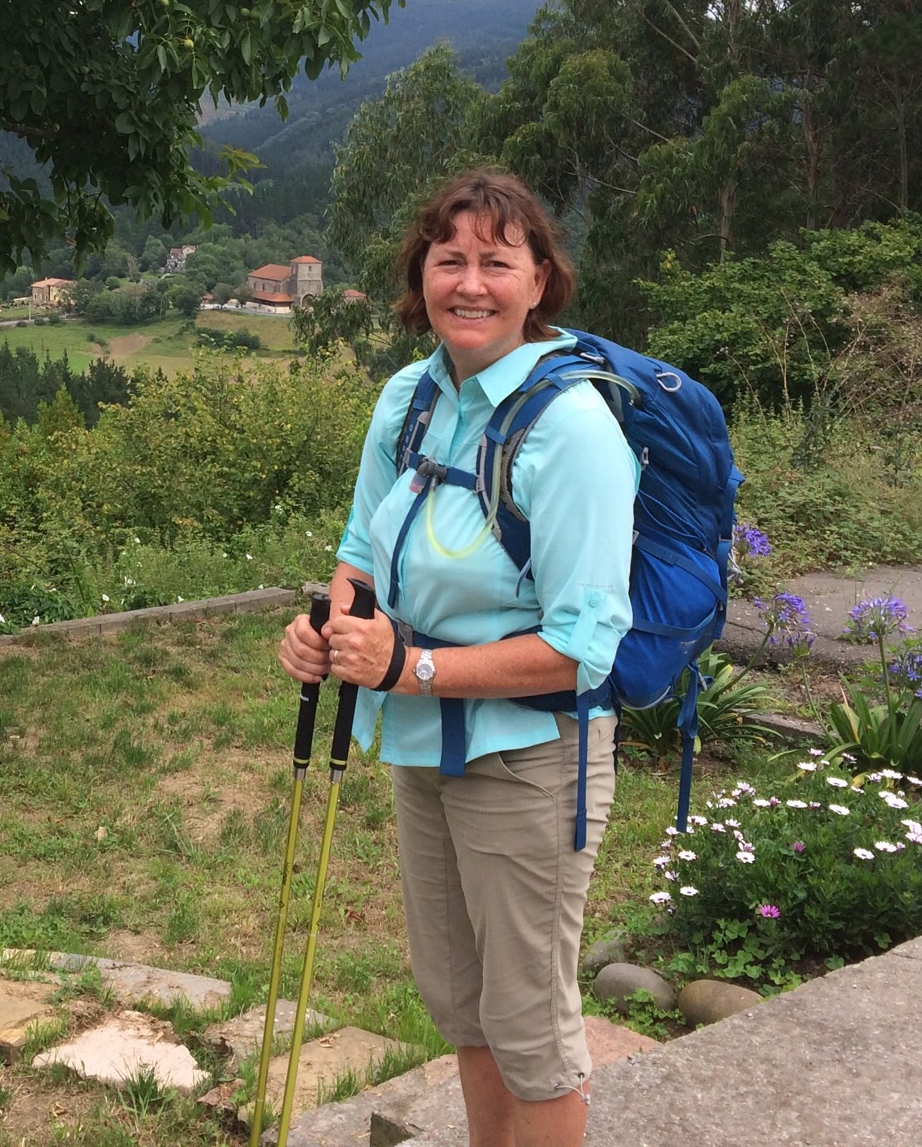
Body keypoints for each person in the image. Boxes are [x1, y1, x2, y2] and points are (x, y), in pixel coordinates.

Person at [279, 168, 637, 1147]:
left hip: (529, 759)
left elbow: (583, 648)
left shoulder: (573, 430)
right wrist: (329, 632)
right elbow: (360, 552)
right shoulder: (409, 398)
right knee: (459, 1000)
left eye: (496, 262)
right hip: (422, 747)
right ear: (421, 276)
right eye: (450, 260)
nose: (469, 284)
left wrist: (408, 670)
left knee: (529, 1024)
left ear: (538, 282)